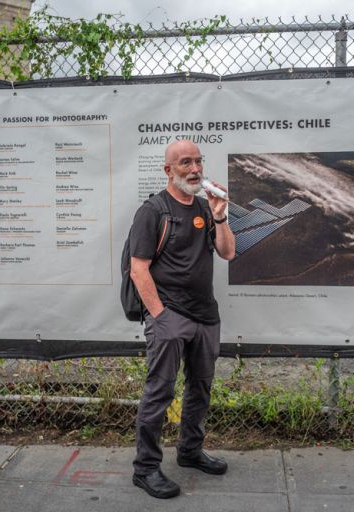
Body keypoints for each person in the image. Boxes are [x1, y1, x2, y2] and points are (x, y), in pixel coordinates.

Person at [129, 140, 235, 499]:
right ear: (168, 170)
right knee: (160, 391)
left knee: (200, 389)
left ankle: (189, 451)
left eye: (198, 162)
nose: (194, 169)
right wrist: (160, 317)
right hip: (170, 315)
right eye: (185, 162)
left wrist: (220, 215)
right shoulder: (153, 211)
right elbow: (138, 269)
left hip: (205, 315)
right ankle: (145, 469)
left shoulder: (206, 206)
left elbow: (228, 252)